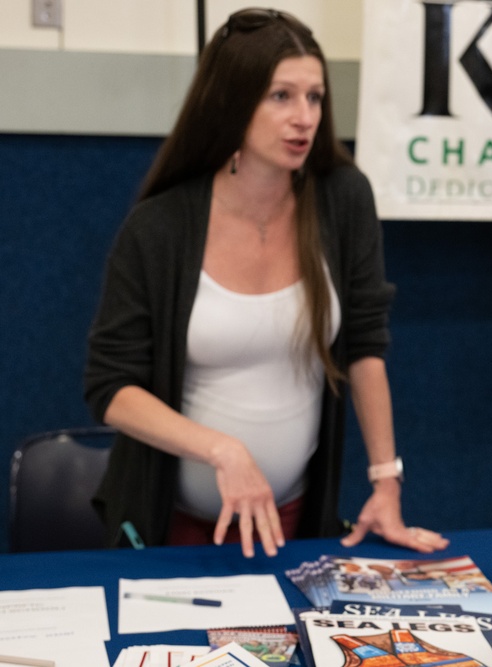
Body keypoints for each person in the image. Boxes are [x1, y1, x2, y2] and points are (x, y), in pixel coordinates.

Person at [84, 8, 448, 559]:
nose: (304, 117)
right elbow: (110, 389)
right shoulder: (160, 227)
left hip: (297, 526)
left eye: (315, 98)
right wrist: (221, 450)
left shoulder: (341, 199)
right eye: (281, 96)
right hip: (170, 529)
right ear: (233, 102)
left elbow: (366, 347)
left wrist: (385, 482)